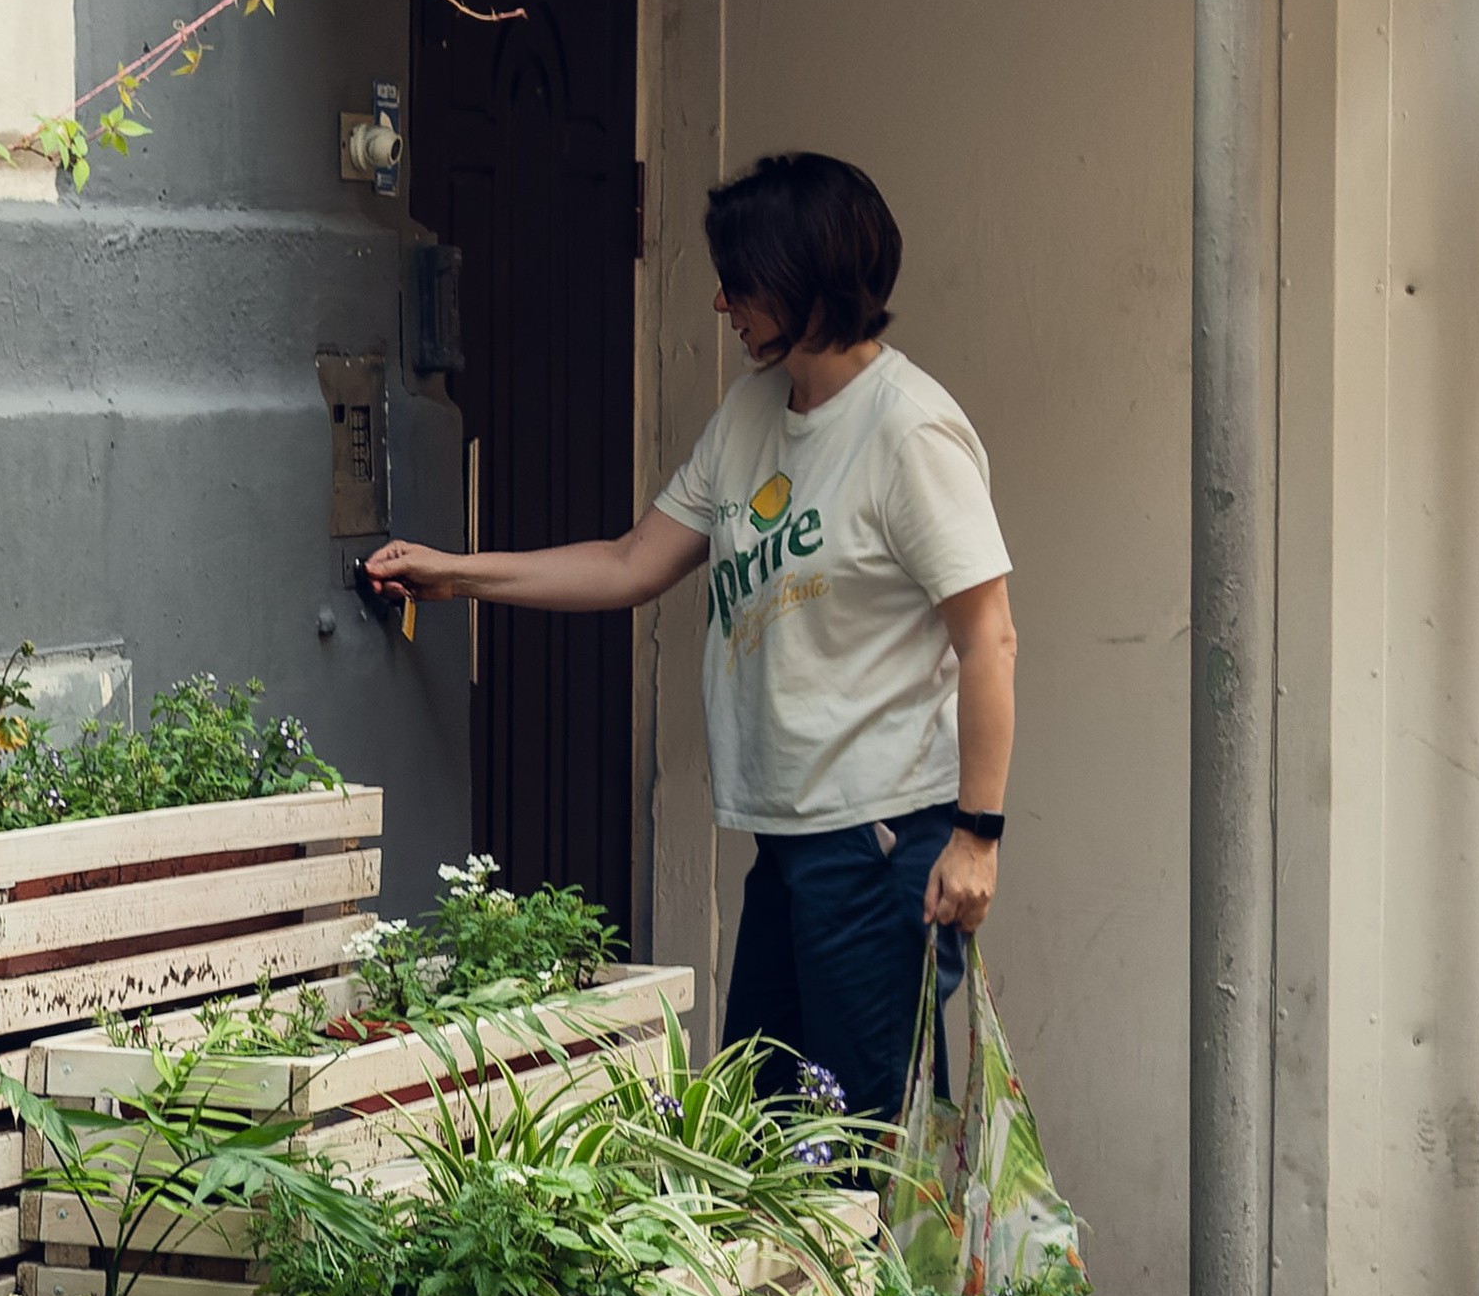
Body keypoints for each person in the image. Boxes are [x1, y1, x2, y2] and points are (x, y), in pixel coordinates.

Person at [364, 148, 1017, 1121]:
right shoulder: (753, 411)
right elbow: (633, 561)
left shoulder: (906, 430)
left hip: (885, 842)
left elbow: (989, 639)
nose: (720, 303)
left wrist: (977, 836)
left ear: (805, 283)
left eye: (740, 281)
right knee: (760, 1125)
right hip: (791, 838)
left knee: (859, 1145)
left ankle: (883, 1283)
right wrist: (455, 574)